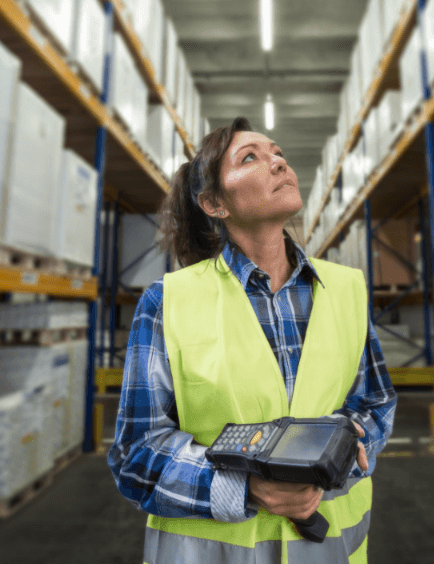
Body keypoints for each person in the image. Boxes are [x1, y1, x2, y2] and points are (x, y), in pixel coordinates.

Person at [108, 117, 397, 563]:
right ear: (214, 204)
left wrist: (343, 455)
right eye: (251, 158)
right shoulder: (168, 302)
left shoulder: (346, 289)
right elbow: (136, 454)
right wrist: (244, 489)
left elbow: (375, 404)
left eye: (278, 152)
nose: (278, 162)